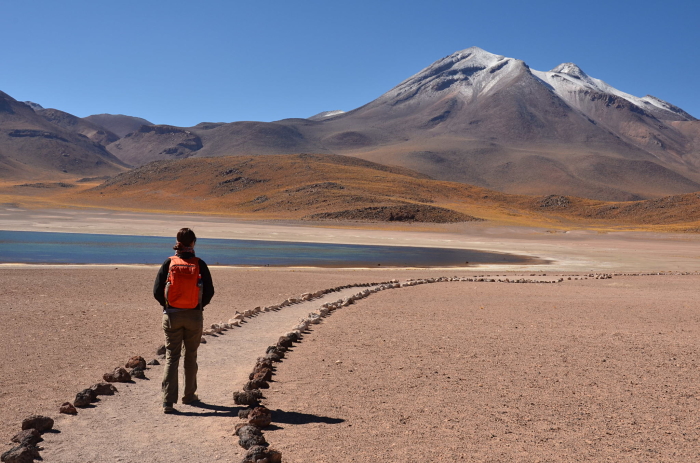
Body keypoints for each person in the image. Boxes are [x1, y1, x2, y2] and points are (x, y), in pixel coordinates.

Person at [153, 228, 214, 413]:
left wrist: (168, 305)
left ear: (177, 241)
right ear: (193, 243)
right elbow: (210, 291)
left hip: (172, 315)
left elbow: (157, 291)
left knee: (172, 356)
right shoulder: (199, 264)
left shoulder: (169, 263)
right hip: (194, 316)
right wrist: (198, 306)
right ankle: (189, 395)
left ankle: (167, 401)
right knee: (191, 355)